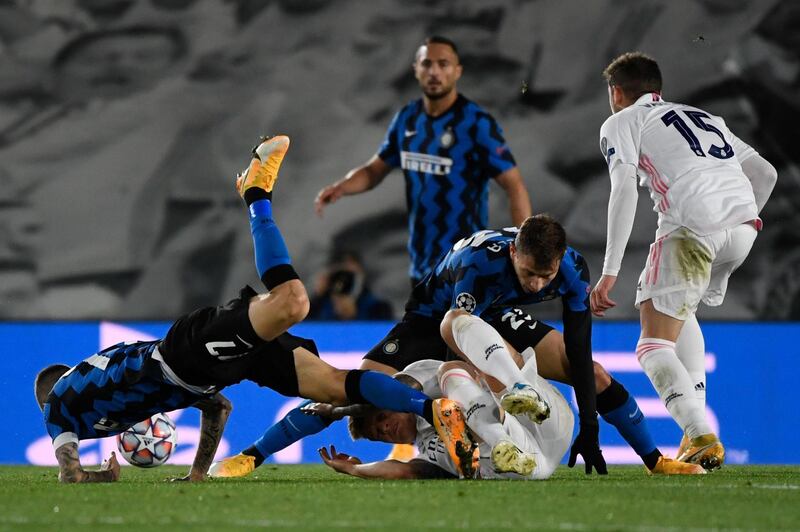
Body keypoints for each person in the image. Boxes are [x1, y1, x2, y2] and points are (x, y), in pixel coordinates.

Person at [34, 135, 466, 483]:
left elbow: (70, 475)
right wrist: (199, 473)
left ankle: (255, 192)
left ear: (49, 395)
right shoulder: (99, 403)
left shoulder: (60, 408)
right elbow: (220, 408)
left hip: (186, 352)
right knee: (335, 387)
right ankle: (430, 409)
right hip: (205, 375)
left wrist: (101, 478)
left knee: (293, 302)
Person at [212, 215, 703, 477]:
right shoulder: (479, 262)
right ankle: (252, 456)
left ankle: (656, 460)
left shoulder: (571, 270)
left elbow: (577, 345)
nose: (536, 285)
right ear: (513, 252)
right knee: (351, 394)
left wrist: (590, 430)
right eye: (528, 272)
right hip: (433, 320)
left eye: (544, 277)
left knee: (591, 374)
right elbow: (457, 334)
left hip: (496, 319)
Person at [590, 52, 777, 470]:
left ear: (616, 92)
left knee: (652, 344)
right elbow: (765, 174)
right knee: (682, 311)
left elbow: (624, 189)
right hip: (744, 229)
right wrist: (735, 225)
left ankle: (699, 432)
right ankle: (694, 437)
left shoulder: (621, 121)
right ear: (657, 88)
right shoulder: (704, 116)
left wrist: (609, 272)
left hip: (692, 229)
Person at [313, 35, 531, 286]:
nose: (434, 71)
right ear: (416, 70)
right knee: (426, 325)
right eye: (427, 64)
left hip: (465, 262)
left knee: (457, 325)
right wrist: (342, 187)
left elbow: (514, 185)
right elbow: (375, 170)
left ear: (457, 71)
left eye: (443, 64)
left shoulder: (476, 124)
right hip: (421, 265)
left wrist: (523, 247)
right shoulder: (407, 119)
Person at [319, 354, 576, 481]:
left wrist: (339, 410)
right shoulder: (428, 454)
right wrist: (354, 468)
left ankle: (493, 434)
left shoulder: (422, 382)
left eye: (381, 417)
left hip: (534, 426)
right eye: (378, 434)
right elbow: (404, 471)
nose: (385, 428)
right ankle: (477, 443)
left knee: (451, 368)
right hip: (528, 470)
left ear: (391, 401)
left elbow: (406, 383)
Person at [307, 251, 393, 321]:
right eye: (340, 274)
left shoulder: (379, 307)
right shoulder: (318, 307)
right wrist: (319, 295)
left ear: (361, 273)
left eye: (350, 274)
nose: (344, 279)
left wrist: (353, 315)